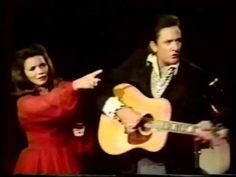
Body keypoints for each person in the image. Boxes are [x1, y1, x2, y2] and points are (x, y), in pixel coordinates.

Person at [95, 14, 230, 174]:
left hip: (171, 163)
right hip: (129, 160)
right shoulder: (137, 62)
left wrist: (207, 125)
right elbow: (102, 89)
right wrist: (121, 110)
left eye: (178, 40)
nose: (175, 47)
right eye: (168, 42)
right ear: (154, 46)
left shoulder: (194, 76)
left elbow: (208, 114)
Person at [10, 43, 103, 174]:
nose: (40, 71)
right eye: (32, 69)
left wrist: (79, 132)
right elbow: (49, 104)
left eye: (42, 65)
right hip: (40, 161)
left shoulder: (63, 90)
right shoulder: (25, 102)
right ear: (23, 74)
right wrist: (75, 85)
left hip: (67, 158)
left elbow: (70, 111)